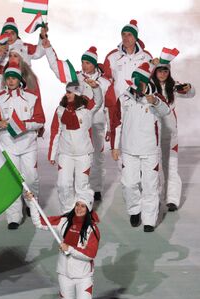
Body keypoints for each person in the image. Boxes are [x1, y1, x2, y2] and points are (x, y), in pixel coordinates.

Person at [26, 190, 99, 299]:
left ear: (88, 208)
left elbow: (91, 253)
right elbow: (39, 222)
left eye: (83, 206)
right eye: (77, 205)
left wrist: (70, 249)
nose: (79, 208)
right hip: (64, 274)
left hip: (84, 277)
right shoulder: (63, 221)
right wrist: (32, 202)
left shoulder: (92, 229)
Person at [43, 40, 118, 201]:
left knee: (96, 157)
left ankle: (96, 188)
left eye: (87, 63)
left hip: (96, 122)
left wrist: (110, 129)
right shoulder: (76, 77)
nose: (84, 66)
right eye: (82, 62)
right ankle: (78, 189)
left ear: (94, 64)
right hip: (78, 126)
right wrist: (48, 47)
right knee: (76, 152)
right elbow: (57, 69)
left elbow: (110, 106)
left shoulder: (105, 82)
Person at [110, 62, 170, 232]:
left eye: (141, 81)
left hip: (149, 150)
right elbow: (116, 123)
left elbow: (165, 111)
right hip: (129, 150)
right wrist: (115, 147)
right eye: (135, 80)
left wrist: (156, 102)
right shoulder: (124, 98)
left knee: (150, 185)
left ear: (146, 82)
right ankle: (135, 210)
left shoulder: (155, 97)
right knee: (129, 184)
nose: (138, 84)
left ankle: (149, 219)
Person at [0, 62, 45, 229]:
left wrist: (24, 125)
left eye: (13, 78)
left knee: (31, 178)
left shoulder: (32, 97)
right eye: (8, 78)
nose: (10, 81)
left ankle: (33, 206)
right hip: (8, 145)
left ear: (19, 79)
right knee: (12, 181)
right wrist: (0, 123)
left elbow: (40, 120)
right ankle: (14, 216)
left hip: (28, 145)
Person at [48, 81, 103, 213]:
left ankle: (82, 214)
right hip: (65, 154)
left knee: (82, 186)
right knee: (63, 184)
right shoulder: (60, 110)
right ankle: (68, 212)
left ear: (78, 93)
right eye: (67, 91)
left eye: (71, 92)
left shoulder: (87, 109)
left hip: (84, 154)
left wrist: (95, 87)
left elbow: (99, 101)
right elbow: (55, 131)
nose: (68, 94)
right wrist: (52, 154)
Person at [151, 58, 195, 211]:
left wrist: (189, 87)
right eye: (159, 70)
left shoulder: (174, 85)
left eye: (165, 71)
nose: (162, 73)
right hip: (152, 133)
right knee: (152, 167)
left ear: (169, 72)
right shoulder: (148, 86)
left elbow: (190, 93)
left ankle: (172, 200)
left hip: (170, 133)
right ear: (155, 71)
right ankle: (153, 197)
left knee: (171, 166)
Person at [0, 17, 47, 93]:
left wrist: (43, 36)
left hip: (26, 90)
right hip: (4, 92)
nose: (9, 36)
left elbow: (40, 52)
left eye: (12, 33)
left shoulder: (25, 47)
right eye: (6, 33)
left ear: (17, 35)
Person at [103, 20, 152, 98]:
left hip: (140, 102)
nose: (126, 38)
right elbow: (105, 80)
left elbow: (152, 80)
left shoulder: (146, 57)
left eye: (129, 35)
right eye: (123, 34)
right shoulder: (112, 56)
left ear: (135, 38)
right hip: (118, 102)